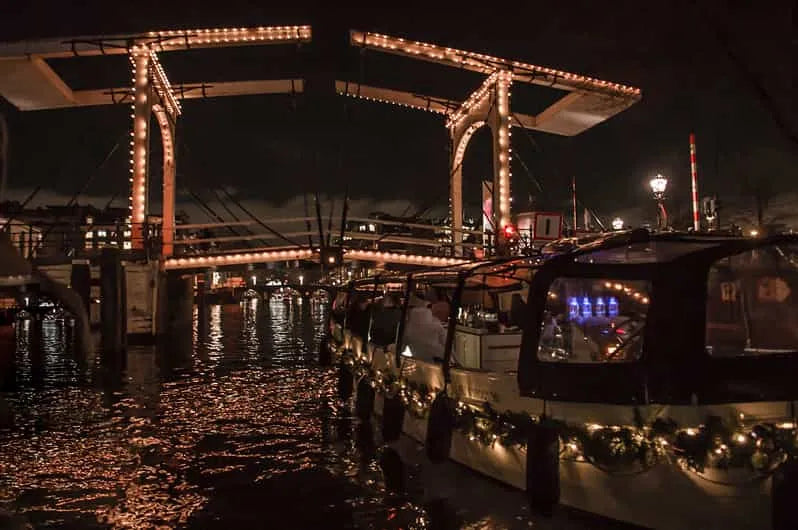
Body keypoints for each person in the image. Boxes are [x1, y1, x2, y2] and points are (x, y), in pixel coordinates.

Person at [402, 293, 447, 363]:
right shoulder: (436, 325)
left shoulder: (408, 326)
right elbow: (448, 350)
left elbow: (401, 348)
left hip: (420, 364)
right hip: (436, 364)